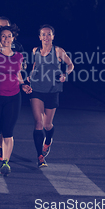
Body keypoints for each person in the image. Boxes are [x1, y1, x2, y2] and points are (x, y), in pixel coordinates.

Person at [0, 24, 31, 176]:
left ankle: (6, 162)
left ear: (13, 39)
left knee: (8, 131)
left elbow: (19, 75)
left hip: (14, 98)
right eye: (3, 36)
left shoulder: (19, 56)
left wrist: (24, 85)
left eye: (9, 36)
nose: (7, 39)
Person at [28, 24, 74, 168]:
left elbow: (70, 64)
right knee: (38, 123)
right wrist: (30, 75)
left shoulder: (58, 51)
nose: (46, 37)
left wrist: (65, 74)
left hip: (53, 90)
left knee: (47, 125)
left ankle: (48, 140)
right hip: (36, 89)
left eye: (49, 34)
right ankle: (40, 157)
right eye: (43, 34)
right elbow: (35, 65)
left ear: (53, 37)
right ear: (39, 37)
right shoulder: (35, 50)